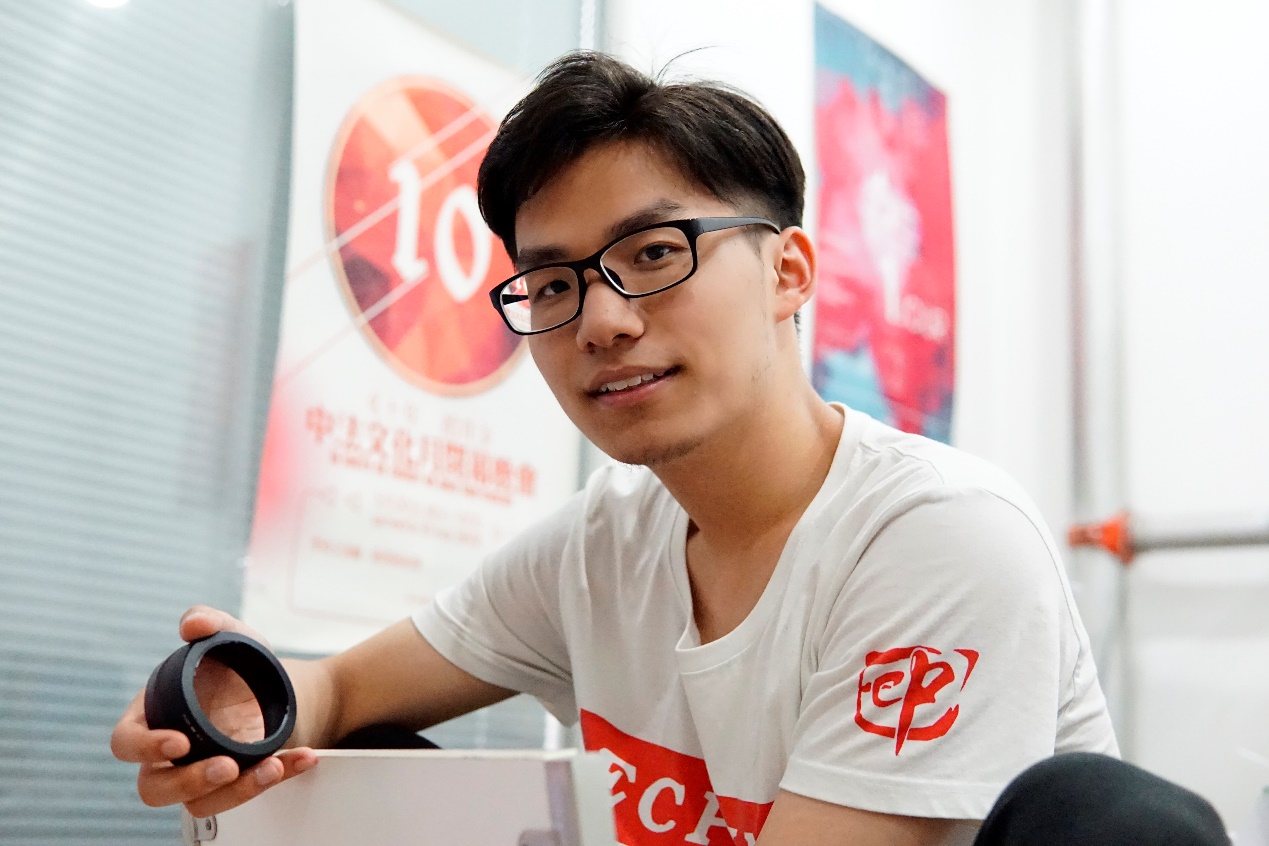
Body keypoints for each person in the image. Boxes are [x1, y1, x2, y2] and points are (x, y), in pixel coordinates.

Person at [114, 51, 1151, 845]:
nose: (601, 322)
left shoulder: (938, 537)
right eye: (553, 284)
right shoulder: (600, 546)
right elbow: (341, 694)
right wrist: (231, 715)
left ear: (788, 272)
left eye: (655, 253)